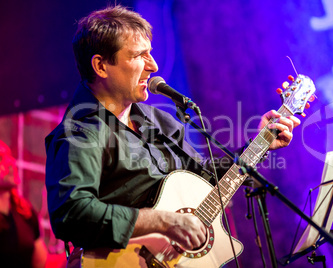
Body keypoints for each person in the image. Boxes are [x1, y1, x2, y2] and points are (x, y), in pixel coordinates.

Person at [45, 5, 300, 258]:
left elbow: (206, 180)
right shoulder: (79, 132)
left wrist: (259, 143)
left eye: (151, 54)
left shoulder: (160, 122)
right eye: (138, 56)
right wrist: (163, 222)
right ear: (101, 66)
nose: (153, 66)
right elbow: (71, 213)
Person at [0, 140, 48, 268]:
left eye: (9, 157)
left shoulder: (24, 211)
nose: (11, 163)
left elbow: (40, 260)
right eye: (1, 159)